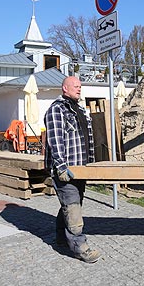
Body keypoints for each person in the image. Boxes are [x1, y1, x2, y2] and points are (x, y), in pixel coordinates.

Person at [44, 76, 101, 263]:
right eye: (75, 86)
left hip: (80, 169)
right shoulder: (56, 109)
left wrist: (89, 167)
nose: (79, 88)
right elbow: (55, 140)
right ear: (64, 88)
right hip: (65, 169)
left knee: (71, 205)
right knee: (73, 208)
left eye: (80, 86)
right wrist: (61, 166)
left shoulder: (80, 110)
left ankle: (61, 237)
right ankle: (80, 247)